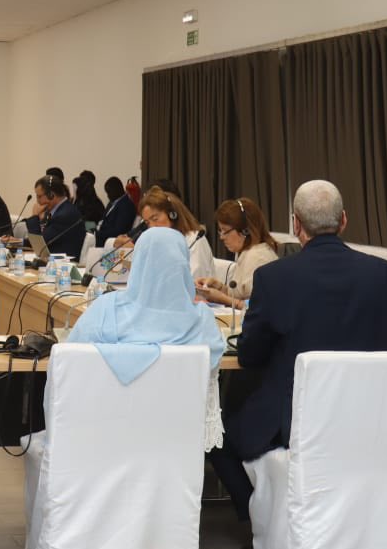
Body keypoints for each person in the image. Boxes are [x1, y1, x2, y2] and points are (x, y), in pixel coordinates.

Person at [209, 180, 387, 549]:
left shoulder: (275, 279)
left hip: (297, 425)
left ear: (297, 225)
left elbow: (250, 355)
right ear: (343, 220)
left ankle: (262, 527)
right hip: (373, 420)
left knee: (214, 435)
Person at [67, 227, 226, 449]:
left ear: (138, 261)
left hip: (104, 440)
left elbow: (70, 365)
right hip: (175, 445)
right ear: (183, 265)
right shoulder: (203, 321)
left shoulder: (105, 310)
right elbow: (213, 365)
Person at [115, 186, 215, 283]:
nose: (152, 227)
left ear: (173, 215)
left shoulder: (195, 241)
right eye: (147, 223)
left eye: (155, 219)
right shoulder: (158, 242)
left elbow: (193, 283)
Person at [195, 197, 278, 308]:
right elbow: (239, 295)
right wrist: (218, 286)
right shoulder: (248, 253)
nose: (221, 237)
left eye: (225, 231)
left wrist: (220, 298)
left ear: (245, 231)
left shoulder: (257, 257)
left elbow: (255, 307)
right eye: (220, 231)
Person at [24, 175, 85, 258]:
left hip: (63, 262)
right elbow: (43, 238)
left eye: (39, 196)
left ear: (51, 195)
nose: (37, 201)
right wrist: (18, 241)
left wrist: (35, 216)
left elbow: (39, 245)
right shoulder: (59, 210)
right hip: (52, 258)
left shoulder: (65, 215)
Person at [95, 176, 137, 247]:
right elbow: (103, 219)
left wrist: (98, 234)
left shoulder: (126, 205)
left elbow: (118, 231)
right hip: (101, 237)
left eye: (109, 192)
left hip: (111, 241)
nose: (108, 195)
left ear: (117, 190)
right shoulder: (113, 202)